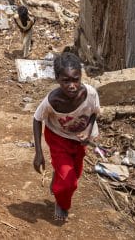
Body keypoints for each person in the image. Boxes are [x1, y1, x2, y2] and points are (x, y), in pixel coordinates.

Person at [32, 52, 100, 223]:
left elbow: (94, 114)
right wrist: (38, 153)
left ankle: (59, 179)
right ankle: (61, 204)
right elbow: (37, 119)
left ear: (81, 77)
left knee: (75, 173)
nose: (72, 85)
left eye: (75, 79)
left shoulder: (90, 94)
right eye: (66, 81)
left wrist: (88, 131)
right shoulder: (52, 101)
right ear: (57, 79)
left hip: (78, 139)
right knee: (69, 183)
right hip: (58, 138)